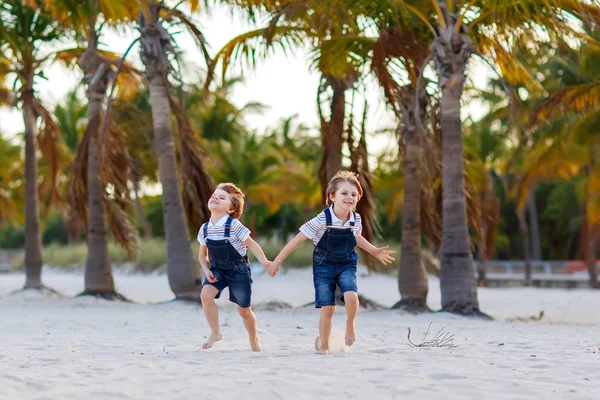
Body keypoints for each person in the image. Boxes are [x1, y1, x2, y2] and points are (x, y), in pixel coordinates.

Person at [269, 170, 396, 354]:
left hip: (346, 263)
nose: (349, 197)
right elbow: (296, 240)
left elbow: (357, 237)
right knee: (328, 309)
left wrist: (375, 251)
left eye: (354, 194)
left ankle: (350, 325)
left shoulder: (355, 219)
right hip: (323, 265)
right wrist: (277, 262)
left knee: (352, 296)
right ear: (332, 196)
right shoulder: (322, 219)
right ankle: (325, 346)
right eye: (344, 193)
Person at [198, 183, 271, 352]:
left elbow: (252, 245)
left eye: (222, 197)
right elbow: (202, 255)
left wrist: (265, 262)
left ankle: (254, 339)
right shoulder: (205, 229)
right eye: (214, 195)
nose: (215, 197)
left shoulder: (234, 225)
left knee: (244, 310)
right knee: (205, 295)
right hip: (217, 269)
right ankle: (215, 332)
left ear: (231, 209)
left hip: (238, 271)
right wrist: (207, 270)